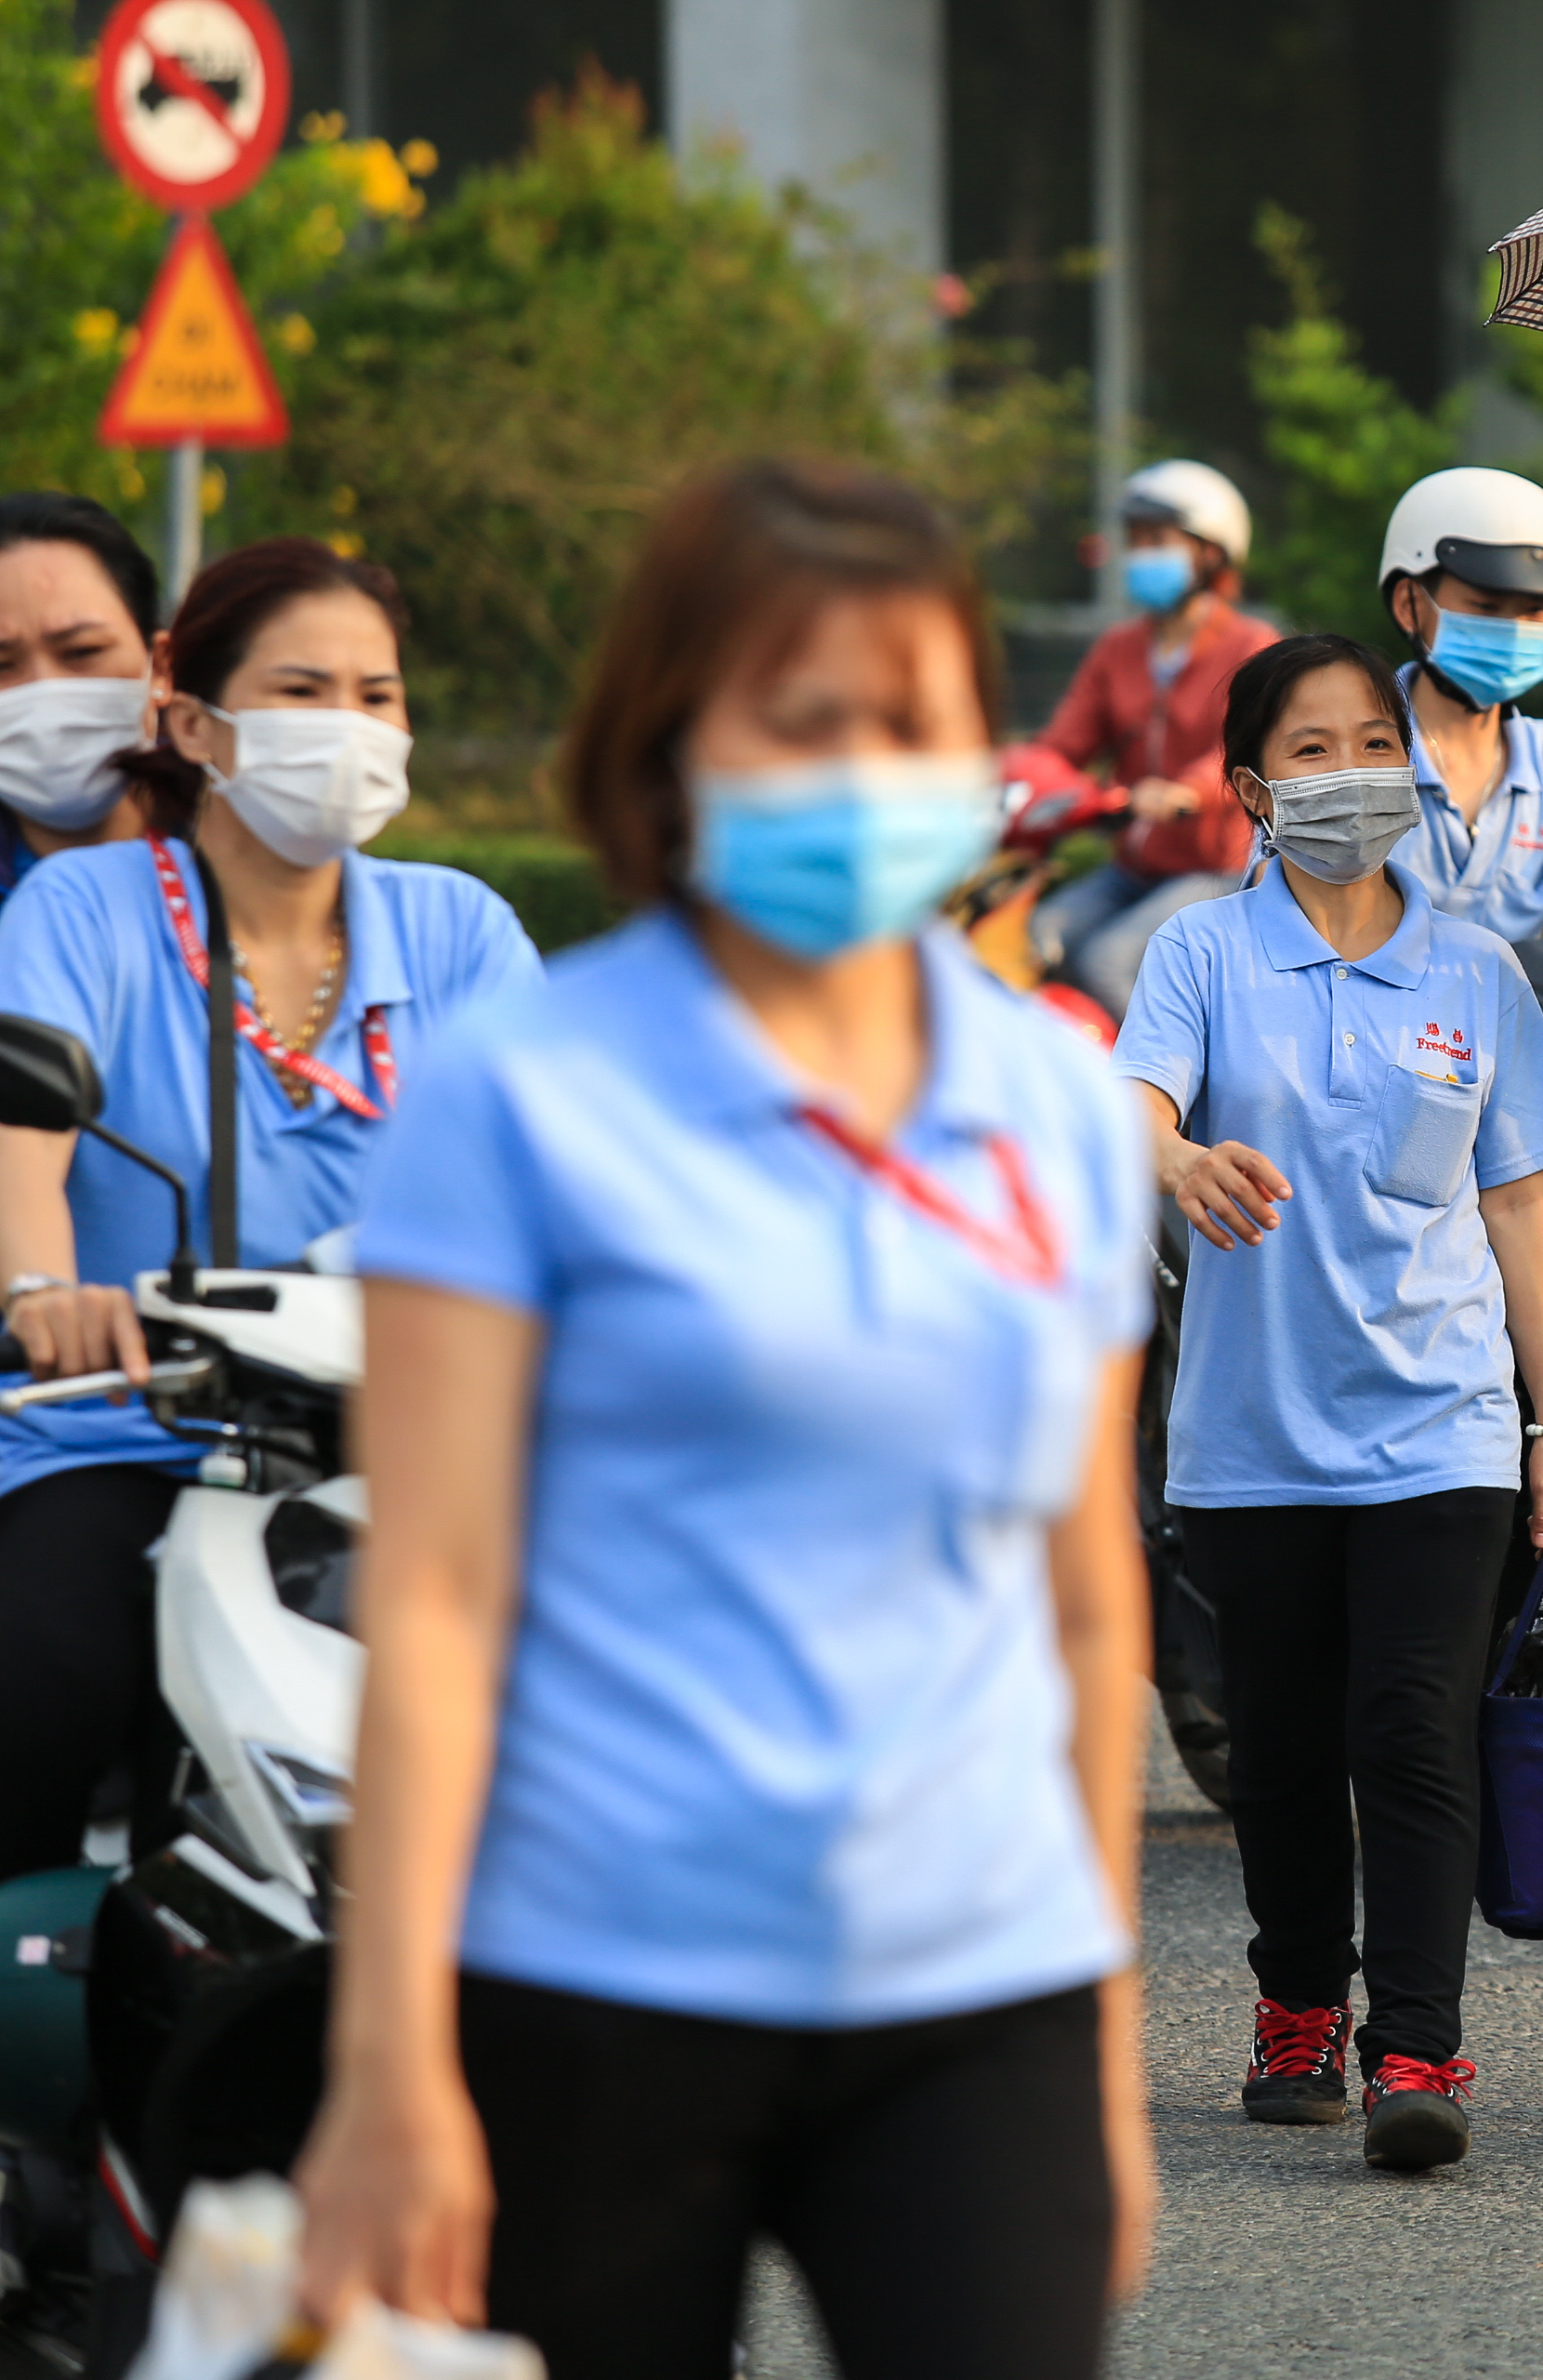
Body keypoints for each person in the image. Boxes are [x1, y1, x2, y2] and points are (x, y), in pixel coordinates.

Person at [292, 458, 1155, 2372]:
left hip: (980, 1983)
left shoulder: (1062, 1106)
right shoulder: (519, 1087)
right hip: (595, 1974)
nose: (862, 764)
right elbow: (428, 1595)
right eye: (802, 713)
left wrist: (1105, 2049)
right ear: (674, 733)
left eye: (912, 716)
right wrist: (391, 2063)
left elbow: (1087, 1601)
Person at [1112, 632, 1543, 2175]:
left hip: (1437, 1425)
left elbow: (1519, 1210)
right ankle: (1298, 2003)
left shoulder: (1475, 967)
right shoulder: (1201, 953)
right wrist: (1177, 1161)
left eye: (1373, 743)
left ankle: (1417, 2045)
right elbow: (1134, 1109)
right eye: (1309, 751)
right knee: (1281, 1742)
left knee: (1410, 1728)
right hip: (1252, 1438)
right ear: (1252, 789)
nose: (1350, 773)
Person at [0, 538, 538, 1886]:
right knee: (40, 1675)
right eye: (303, 691)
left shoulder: (461, 930)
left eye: (379, 695)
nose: (347, 731)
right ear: (191, 719)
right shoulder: (87, 906)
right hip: (128, 1425)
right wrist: (39, 1296)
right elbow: (23, 1140)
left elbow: (560, 1178)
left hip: (409, 1450)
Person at [1030, 458, 1282, 1012]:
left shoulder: (1251, 646)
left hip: (1215, 870)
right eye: (1134, 541)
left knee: (1107, 962)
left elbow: (1248, 749)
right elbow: (1062, 744)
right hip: (1133, 867)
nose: (1139, 555)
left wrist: (1185, 792)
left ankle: (1170, 1096)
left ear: (1210, 554)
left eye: (1157, 541)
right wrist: (1023, 780)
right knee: (1034, 941)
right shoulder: (1118, 649)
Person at [1376, 468, 1543, 942]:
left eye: (1534, 609)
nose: (1513, 629)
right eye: (1487, 607)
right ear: (1410, 604)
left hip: (1515, 1016)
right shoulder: (1347, 747)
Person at [0, 494, 157, 904]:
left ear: (160, 666)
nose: (44, 692)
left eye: (82, 652)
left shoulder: (245, 861)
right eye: (2, 667)